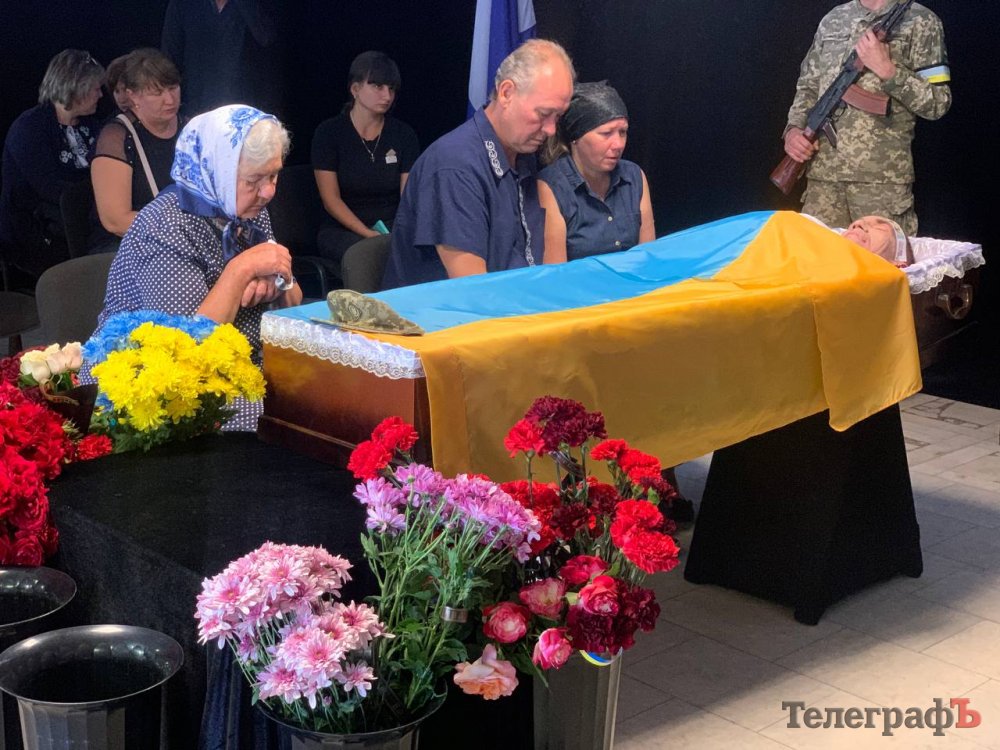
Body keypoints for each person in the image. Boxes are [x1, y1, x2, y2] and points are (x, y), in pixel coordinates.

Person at [91, 104, 302, 430]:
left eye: (273, 175)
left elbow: (294, 302)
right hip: (156, 382)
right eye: (254, 180)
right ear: (216, 169)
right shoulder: (166, 225)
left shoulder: (247, 207)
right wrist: (241, 270)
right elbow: (187, 345)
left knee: (328, 387)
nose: (268, 191)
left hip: (243, 360)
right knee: (281, 414)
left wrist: (278, 281)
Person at [381, 39, 574, 289]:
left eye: (558, 117)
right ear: (506, 93)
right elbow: (473, 290)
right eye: (544, 114)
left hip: (514, 300)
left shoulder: (523, 152)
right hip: (449, 310)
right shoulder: (455, 166)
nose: (551, 130)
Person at [782, 0, 951, 235]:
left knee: (880, 260)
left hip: (881, 184)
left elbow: (938, 102)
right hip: (823, 182)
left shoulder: (921, 20)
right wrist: (794, 130)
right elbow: (808, 87)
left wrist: (888, 71)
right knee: (819, 257)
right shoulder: (834, 19)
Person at [311, 51, 419, 279]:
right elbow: (331, 200)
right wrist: (368, 234)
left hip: (390, 224)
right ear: (355, 89)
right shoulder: (329, 134)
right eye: (378, 86)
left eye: (391, 89)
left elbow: (408, 196)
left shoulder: (403, 134)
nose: (387, 96)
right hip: (341, 228)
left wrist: (400, 231)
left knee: (414, 246)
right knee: (367, 254)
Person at [0, 49, 105, 276]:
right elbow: (49, 189)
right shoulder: (30, 127)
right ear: (76, 87)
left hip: (80, 219)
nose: (100, 95)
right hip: (38, 230)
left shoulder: (92, 125)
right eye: (95, 88)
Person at [538, 81, 654, 263]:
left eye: (622, 132)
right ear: (576, 137)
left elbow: (647, 258)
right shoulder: (552, 186)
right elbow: (555, 273)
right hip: (578, 282)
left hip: (632, 280)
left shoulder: (634, 176)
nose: (618, 144)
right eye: (606, 133)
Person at [92, 48, 185, 237]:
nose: (169, 100)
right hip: (132, 242)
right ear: (133, 95)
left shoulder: (190, 126)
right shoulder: (116, 137)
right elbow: (115, 221)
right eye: (156, 93)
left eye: (173, 88)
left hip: (183, 234)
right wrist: (180, 229)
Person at [161, 0, 280, 116]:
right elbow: (170, 59)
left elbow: (266, 38)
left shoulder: (260, 4)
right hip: (196, 108)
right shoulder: (182, 4)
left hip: (247, 109)